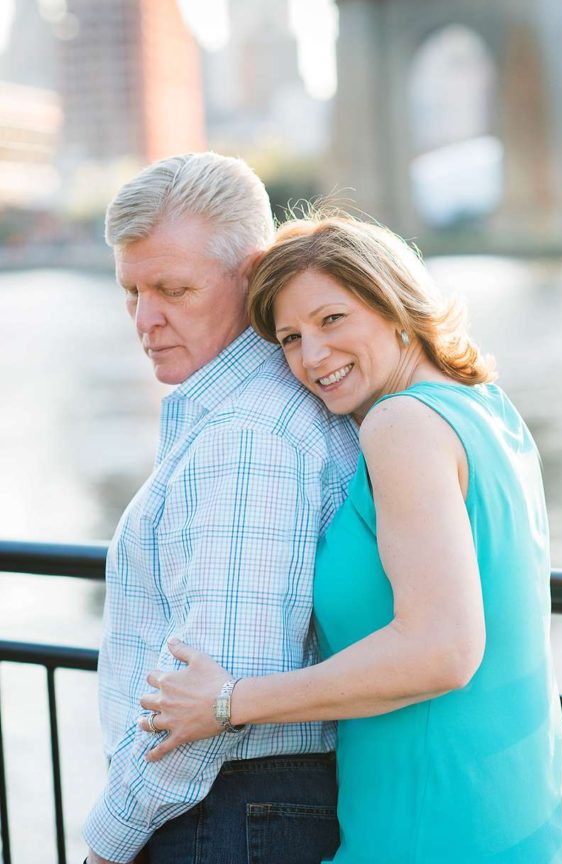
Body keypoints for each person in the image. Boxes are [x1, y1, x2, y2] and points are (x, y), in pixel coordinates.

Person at [139, 214, 562, 863]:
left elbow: (441, 650)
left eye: (332, 320)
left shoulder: (399, 424)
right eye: (291, 337)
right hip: (522, 821)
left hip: (437, 832)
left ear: (394, 305)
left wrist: (226, 702)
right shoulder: (487, 409)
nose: (312, 357)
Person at [82, 156, 359, 864]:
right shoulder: (252, 413)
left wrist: (106, 844)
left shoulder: (246, 435)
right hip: (236, 813)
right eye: (132, 292)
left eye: (173, 289)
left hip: (222, 818)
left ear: (255, 272)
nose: (146, 319)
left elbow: (214, 693)